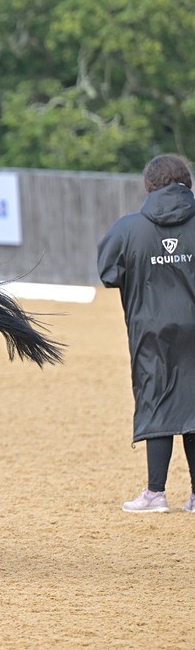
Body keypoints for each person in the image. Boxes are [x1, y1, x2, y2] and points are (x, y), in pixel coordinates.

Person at [97, 153, 195, 513]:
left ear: (149, 186)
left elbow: (108, 273)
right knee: (194, 403)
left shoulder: (128, 229)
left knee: (156, 400)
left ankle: (156, 493)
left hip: (151, 331)